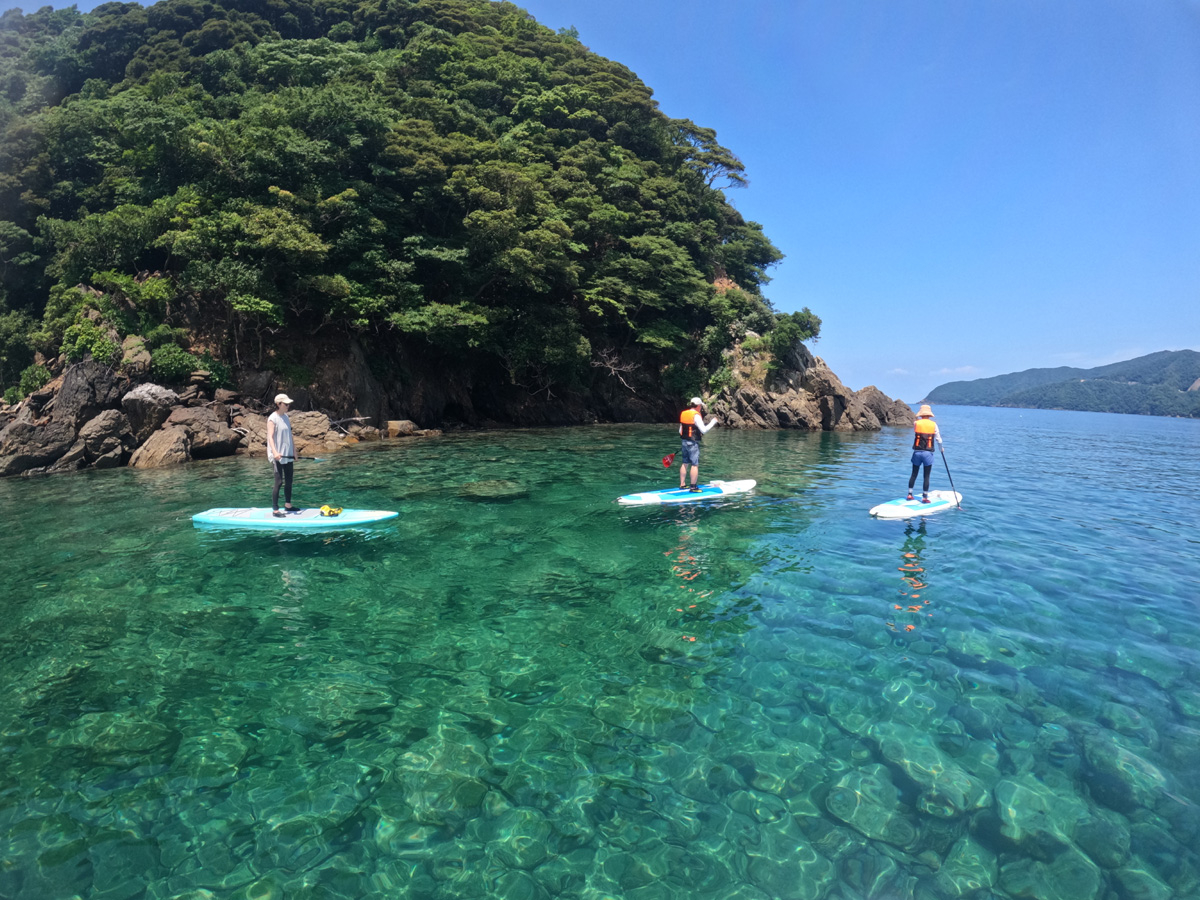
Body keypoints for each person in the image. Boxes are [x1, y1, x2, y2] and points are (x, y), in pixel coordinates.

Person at [266, 393, 297, 516]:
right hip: (277, 455)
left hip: (288, 454)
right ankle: (275, 509)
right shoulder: (272, 419)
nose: (288, 406)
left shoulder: (286, 417)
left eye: (288, 404)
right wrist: (274, 452)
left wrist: (294, 451)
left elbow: (290, 435)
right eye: (286, 404)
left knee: (289, 480)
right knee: (279, 482)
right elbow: (270, 437)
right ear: (278, 404)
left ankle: (288, 505)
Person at [678, 397, 719, 491]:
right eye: (701, 406)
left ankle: (682, 484)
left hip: (684, 441)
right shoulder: (696, 415)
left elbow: (680, 430)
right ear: (698, 406)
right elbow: (704, 430)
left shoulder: (684, 413)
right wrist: (713, 422)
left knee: (685, 463)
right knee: (694, 464)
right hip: (692, 443)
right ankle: (693, 487)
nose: (701, 408)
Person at [908, 404, 943, 503]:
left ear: (921, 414)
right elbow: (938, 439)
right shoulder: (934, 424)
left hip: (917, 452)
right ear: (929, 414)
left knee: (914, 474)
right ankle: (924, 497)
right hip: (928, 453)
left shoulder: (916, 423)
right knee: (926, 476)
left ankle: (910, 494)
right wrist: (941, 449)